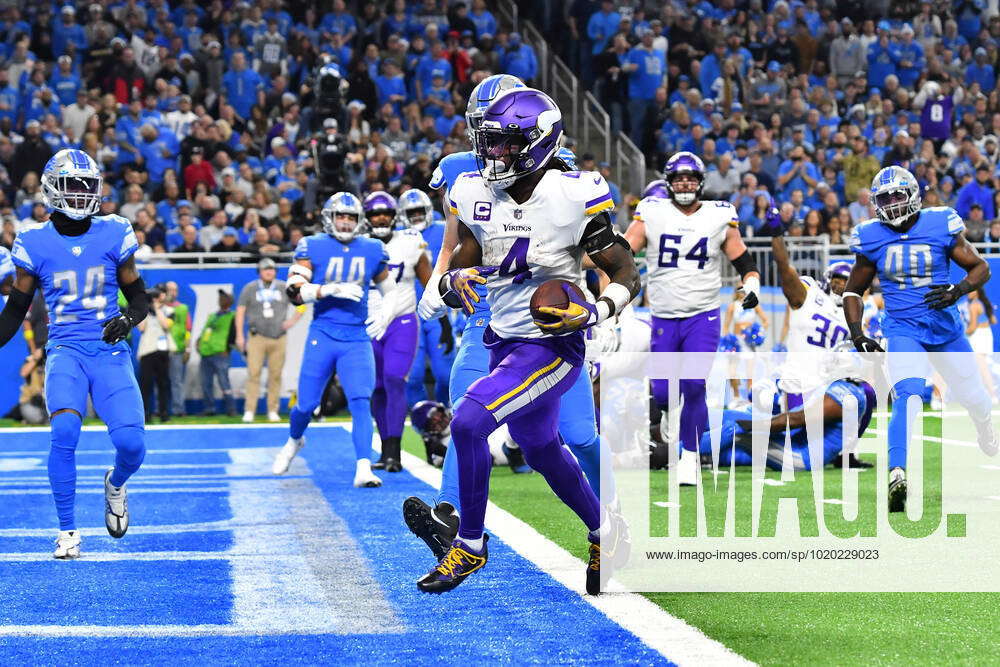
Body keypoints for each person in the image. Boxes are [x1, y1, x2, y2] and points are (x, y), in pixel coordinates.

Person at [414, 87, 638, 595]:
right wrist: (453, 282)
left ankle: (469, 546)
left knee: (469, 421)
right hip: (502, 336)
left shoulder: (572, 193)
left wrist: (598, 311)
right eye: (489, 144)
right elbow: (464, 263)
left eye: (505, 144)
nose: (493, 154)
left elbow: (625, 269)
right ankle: (607, 529)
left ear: (536, 142)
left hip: (553, 343)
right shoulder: (476, 192)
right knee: (540, 449)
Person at [0, 149, 149, 559]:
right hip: (65, 348)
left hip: (109, 349)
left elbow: (139, 296)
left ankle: (115, 484)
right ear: (51, 189)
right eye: (74, 185)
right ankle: (67, 531)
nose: (83, 193)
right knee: (64, 433)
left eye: (88, 184)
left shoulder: (115, 230)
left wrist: (129, 318)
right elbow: (16, 310)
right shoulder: (32, 240)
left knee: (133, 446)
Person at [844, 166, 997, 513]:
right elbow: (853, 291)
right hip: (902, 328)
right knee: (908, 393)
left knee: (975, 398)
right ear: (876, 203)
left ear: (913, 194)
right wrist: (857, 333)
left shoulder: (939, 222)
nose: (894, 203)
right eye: (886, 198)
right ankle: (897, 473)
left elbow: (981, 268)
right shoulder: (871, 236)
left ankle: (984, 423)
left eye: (899, 195)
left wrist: (957, 291)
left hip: (945, 330)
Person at [624, 151, 762, 485]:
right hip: (664, 316)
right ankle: (672, 414)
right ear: (669, 183)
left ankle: (689, 457)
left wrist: (752, 282)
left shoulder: (718, 215)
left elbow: (740, 257)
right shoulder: (652, 212)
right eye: (678, 178)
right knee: (662, 392)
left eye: (690, 178)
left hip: (703, 316)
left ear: (700, 183)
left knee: (694, 384)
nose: (684, 184)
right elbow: (627, 247)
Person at [271, 192, 397, 489]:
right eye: (340, 216)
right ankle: (293, 441)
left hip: (355, 337)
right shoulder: (312, 245)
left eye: (351, 217)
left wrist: (387, 314)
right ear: (329, 217)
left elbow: (389, 289)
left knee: (360, 401)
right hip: (323, 333)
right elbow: (293, 291)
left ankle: (363, 466)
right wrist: (327, 290)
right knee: (306, 405)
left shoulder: (371, 248)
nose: (345, 222)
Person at [363, 192, 432, 472]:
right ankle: (386, 450)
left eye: (385, 214)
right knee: (377, 388)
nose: (380, 218)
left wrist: (440, 313)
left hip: (402, 321)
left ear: (394, 216)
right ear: (366, 219)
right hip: (369, 323)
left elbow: (429, 280)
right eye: (374, 214)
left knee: (394, 379)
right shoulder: (360, 246)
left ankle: (395, 453)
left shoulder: (411, 241)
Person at [761, 203, 852, 409]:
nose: (841, 284)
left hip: (831, 388)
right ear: (828, 278)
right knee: (796, 438)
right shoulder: (810, 292)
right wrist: (777, 233)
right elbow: (785, 269)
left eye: (846, 281)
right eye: (838, 279)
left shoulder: (853, 313)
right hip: (799, 383)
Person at [700, 377, 876, 471]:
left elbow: (796, 420)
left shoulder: (847, 393)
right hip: (793, 441)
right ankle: (687, 434)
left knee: (736, 429)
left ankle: (678, 451)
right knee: (728, 417)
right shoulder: (836, 387)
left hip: (801, 456)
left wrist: (753, 424)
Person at [399, 188, 455, 409]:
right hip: (407, 312)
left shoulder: (445, 229)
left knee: (445, 374)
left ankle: (444, 413)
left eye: (419, 211)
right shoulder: (396, 236)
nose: (416, 216)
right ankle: (421, 418)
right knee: (412, 375)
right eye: (411, 212)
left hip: (438, 311)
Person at [236, 258, 301, 423]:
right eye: (266, 269)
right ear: (259, 271)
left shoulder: (283, 286)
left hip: (279, 337)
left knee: (276, 375)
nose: (269, 271)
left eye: (272, 269)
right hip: (257, 336)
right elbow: (240, 311)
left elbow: (301, 304)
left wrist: (292, 321)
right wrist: (239, 335)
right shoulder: (250, 288)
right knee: (253, 373)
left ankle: (273, 409)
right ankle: (250, 410)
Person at [136, 285, 176, 422]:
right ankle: (146, 414)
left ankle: (164, 413)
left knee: (163, 383)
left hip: (162, 351)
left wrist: (158, 308)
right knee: (146, 385)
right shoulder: (145, 311)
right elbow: (141, 328)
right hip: (147, 350)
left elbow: (166, 325)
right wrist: (146, 308)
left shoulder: (169, 310)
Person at [198, 290, 237, 416]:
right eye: (220, 298)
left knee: (224, 382)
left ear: (230, 301)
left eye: (224, 298)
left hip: (221, 353)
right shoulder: (213, 316)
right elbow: (206, 331)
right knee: (206, 383)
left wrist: (228, 349)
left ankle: (231, 409)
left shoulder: (232, 316)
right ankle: (209, 409)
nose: (221, 300)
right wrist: (199, 341)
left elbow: (234, 334)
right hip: (206, 353)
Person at [163, 282, 190, 417]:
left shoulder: (183, 308)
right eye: (170, 290)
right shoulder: (159, 308)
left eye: (175, 290)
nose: (172, 292)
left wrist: (187, 348)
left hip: (177, 350)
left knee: (176, 381)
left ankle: (178, 409)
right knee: (161, 381)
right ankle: (161, 409)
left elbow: (187, 329)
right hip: (161, 349)